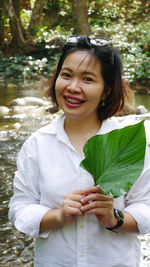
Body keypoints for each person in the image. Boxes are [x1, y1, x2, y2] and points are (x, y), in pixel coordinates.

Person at [9, 36, 150, 267]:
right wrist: (60, 215)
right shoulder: (38, 144)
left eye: (88, 79)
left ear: (106, 90)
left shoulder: (125, 143)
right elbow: (19, 208)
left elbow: (147, 205)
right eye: (66, 75)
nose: (73, 87)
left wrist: (113, 218)